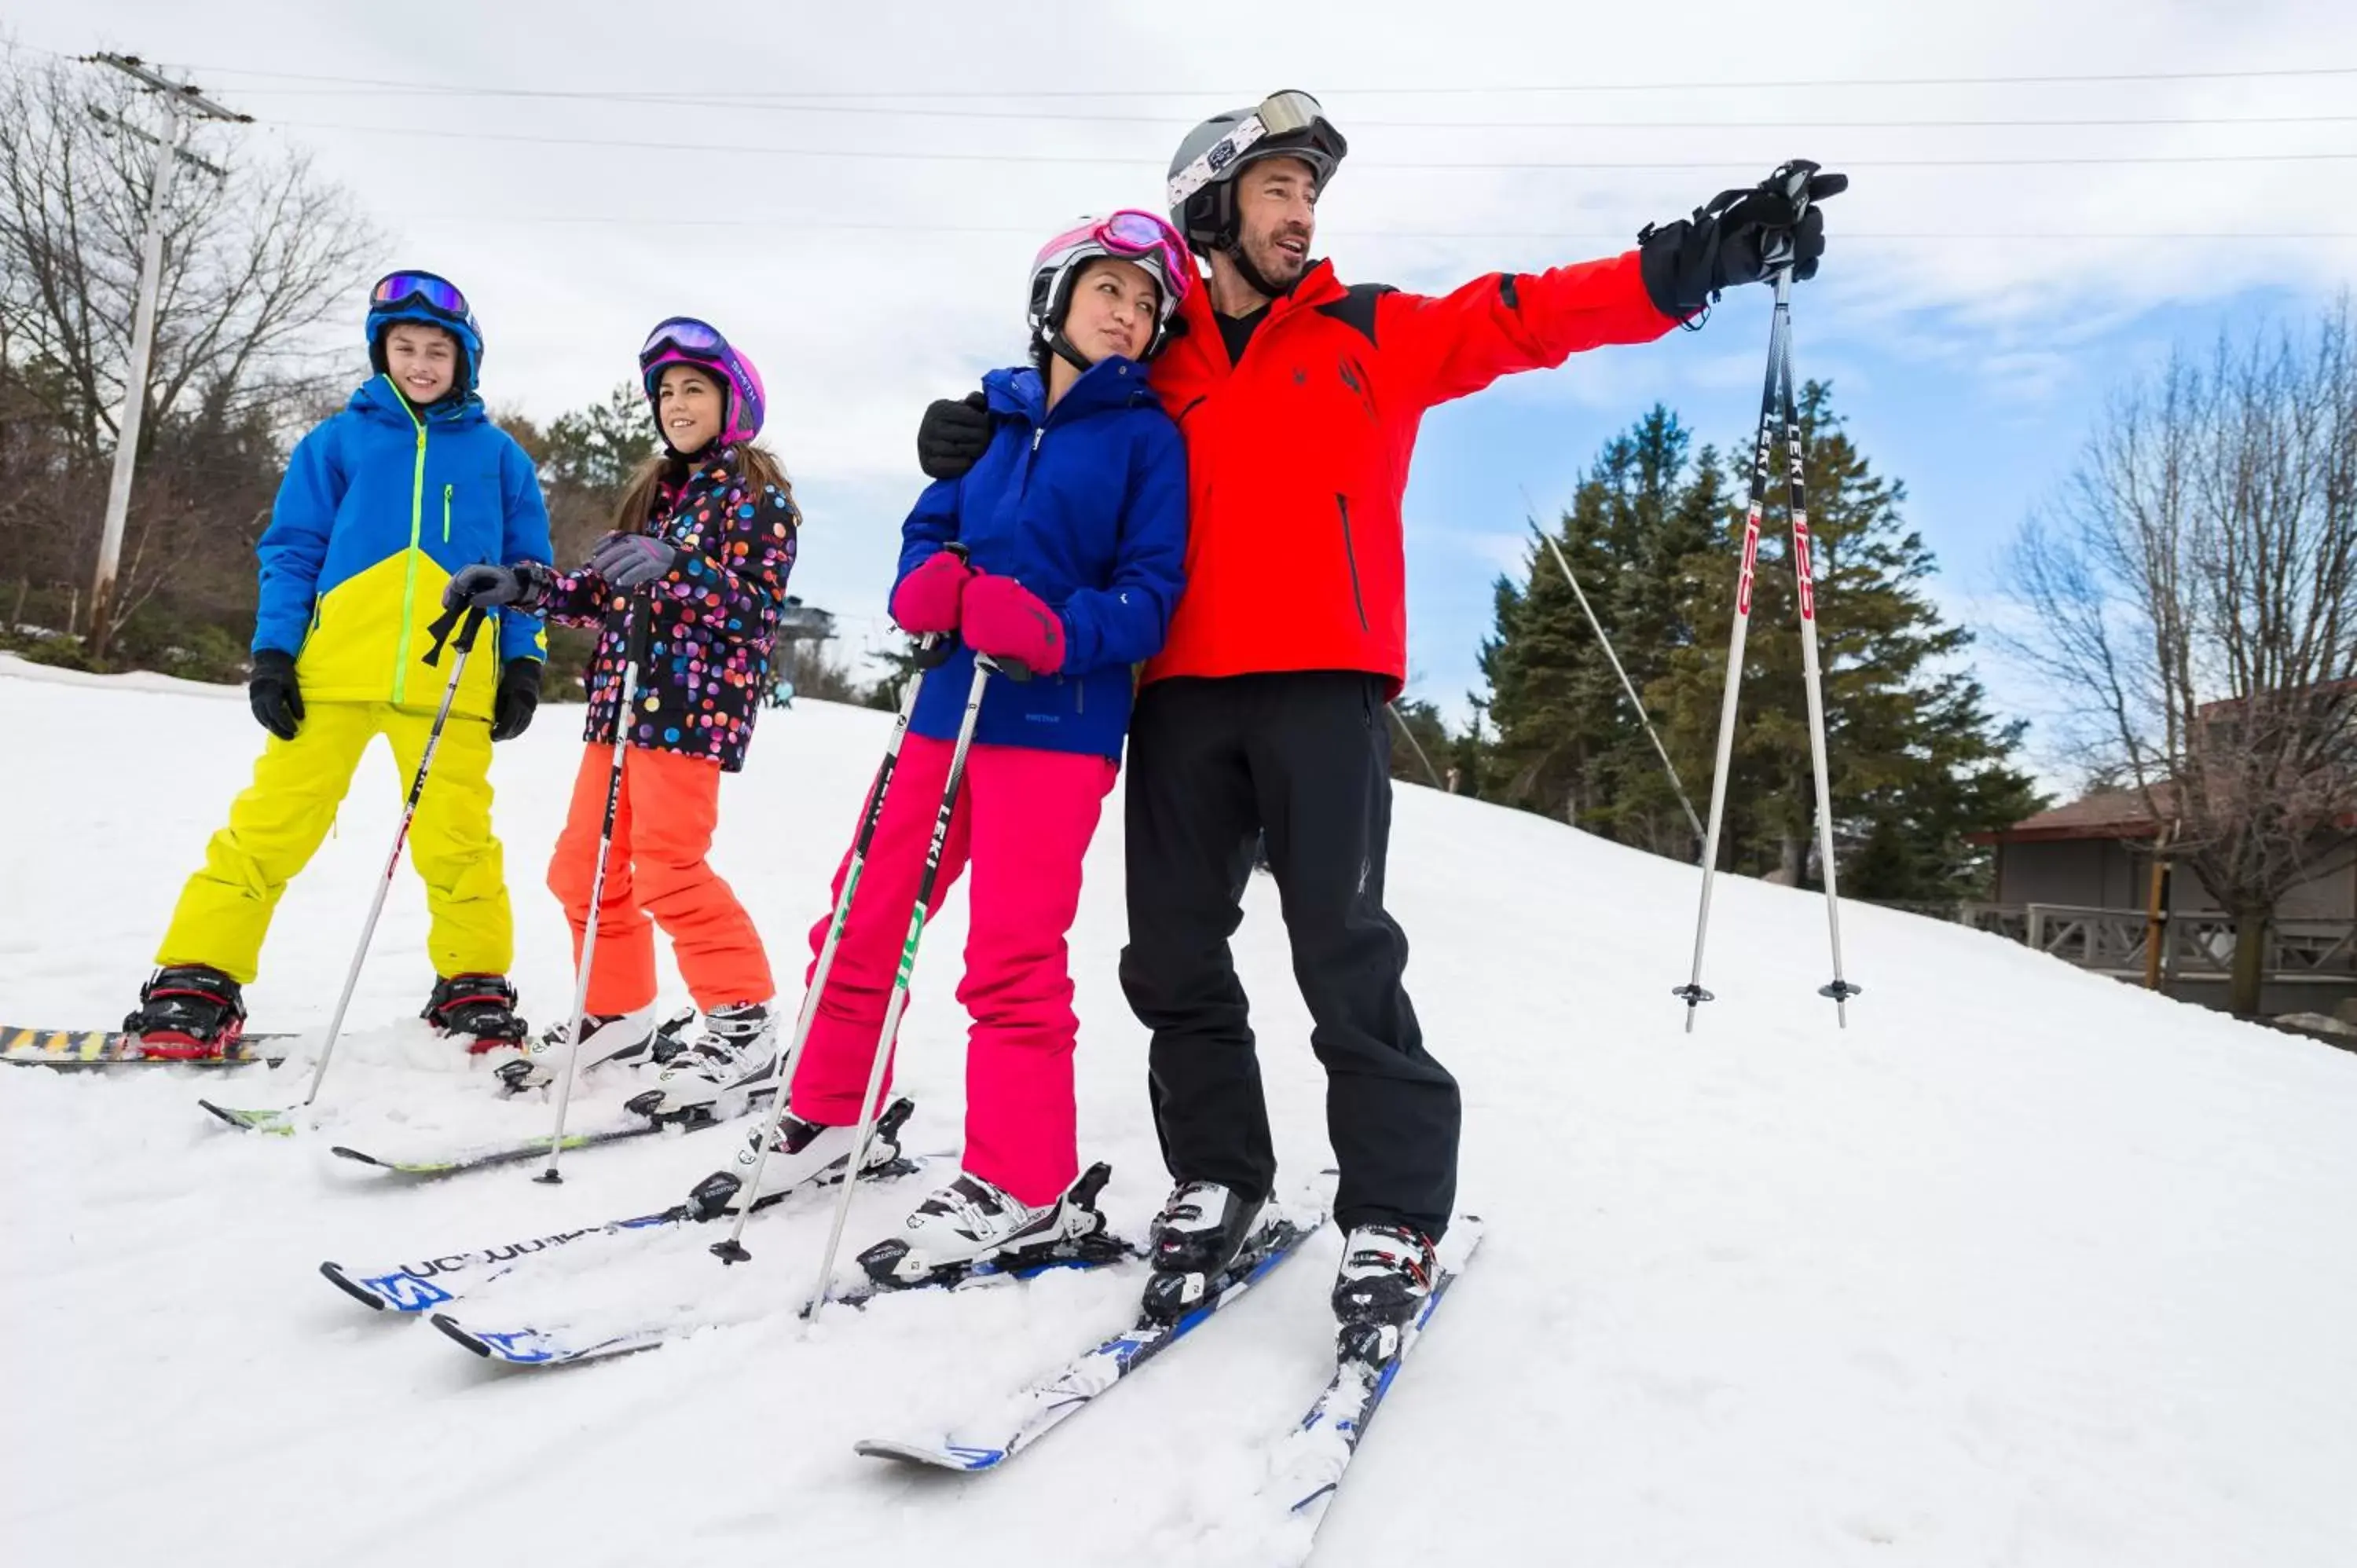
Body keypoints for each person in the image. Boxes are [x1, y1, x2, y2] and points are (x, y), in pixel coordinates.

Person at [916, 92, 1841, 1356]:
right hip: (1178, 696)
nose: (1301, 216)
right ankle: (1219, 1170)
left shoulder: (1368, 331)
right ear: (1211, 208)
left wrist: (1696, 261)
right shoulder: (1158, 367)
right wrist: (973, 426)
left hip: (1324, 684)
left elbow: (1529, 315)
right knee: (1170, 954)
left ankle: (1394, 1209)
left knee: (1342, 946)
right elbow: (1055, 398)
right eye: (1278, 192)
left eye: (1310, 197)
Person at [695, 212, 1189, 1288]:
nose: (1129, 315)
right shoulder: (988, 422)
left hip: (1055, 728)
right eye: (1110, 290)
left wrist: (1058, 631)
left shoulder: (1149, 440)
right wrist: (923, 584)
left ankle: (1024, 1181)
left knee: (1010, 952)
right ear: (1055, 299)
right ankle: (827, 1113)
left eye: (1148, 305)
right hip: (941, 713)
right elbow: (929, 534)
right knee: (865, 915)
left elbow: (1150, 597)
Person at [123, 270, 551, 1059]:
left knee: (459, 842)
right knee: (270, 826)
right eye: (404, 347)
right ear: (381, 352)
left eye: (437, 351)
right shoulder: (336, 442)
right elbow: (291, 551)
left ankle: (474, 984)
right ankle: (197, 978)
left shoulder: (500, 457)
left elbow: (531, 569)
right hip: (330, 675)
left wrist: (521, 661)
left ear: (466, 361)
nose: (421, 364)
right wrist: (275, 654)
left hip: (449, 684)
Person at [445, 320, 798, 1105]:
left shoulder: (758, 498)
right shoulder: (659, 495)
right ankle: (617, 1010)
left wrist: (680, 568)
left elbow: (753, 610)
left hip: (687, 708)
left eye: (693, 389)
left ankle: (743, 1025)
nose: (676, 404)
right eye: (665, 392)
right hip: (619, 707)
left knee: (670, 867)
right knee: (582, 865)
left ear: (732, 402)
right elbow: (603, 594)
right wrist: (525, 586)